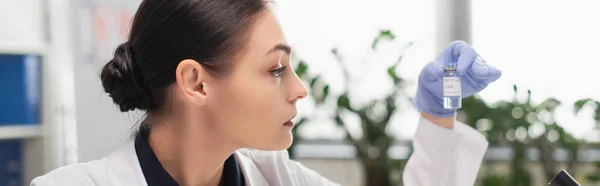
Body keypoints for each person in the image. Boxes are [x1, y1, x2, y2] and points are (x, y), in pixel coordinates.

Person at [30, 0, 501, 185]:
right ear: (196, 82)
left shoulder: (280, 179)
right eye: (276, 68)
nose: (299, 90)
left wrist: (439, 115)